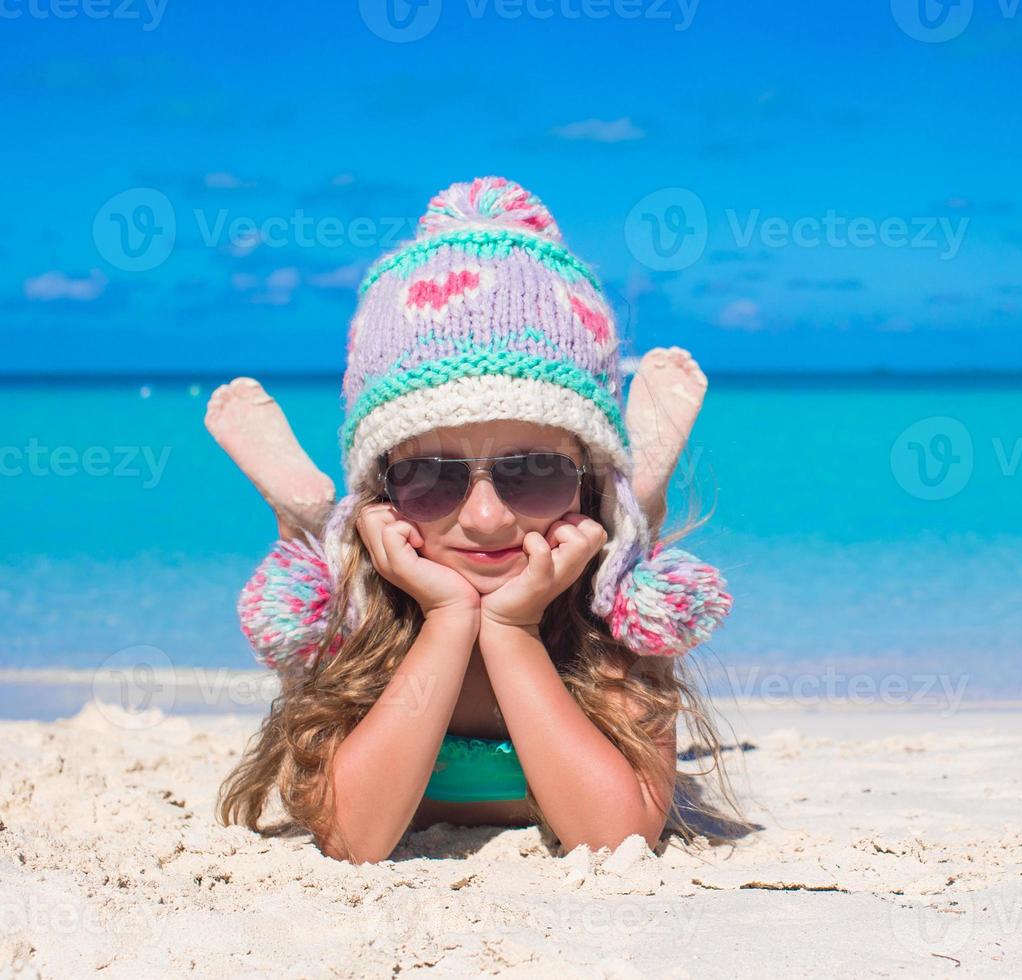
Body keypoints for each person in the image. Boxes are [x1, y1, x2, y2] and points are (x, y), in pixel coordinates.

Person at [209, 176, 737, 864]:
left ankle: (638, 492)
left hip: (604, 510)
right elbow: (354, 836)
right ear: (378, 491)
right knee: (317, 560)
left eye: (534, 471)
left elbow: (616, 837)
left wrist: (512, 629)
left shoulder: (612, 620)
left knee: (634, 531)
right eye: (428, 477)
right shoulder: (353, 618)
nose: (485, 519)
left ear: (584, 483)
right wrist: (448, 618)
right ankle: (302, 520)